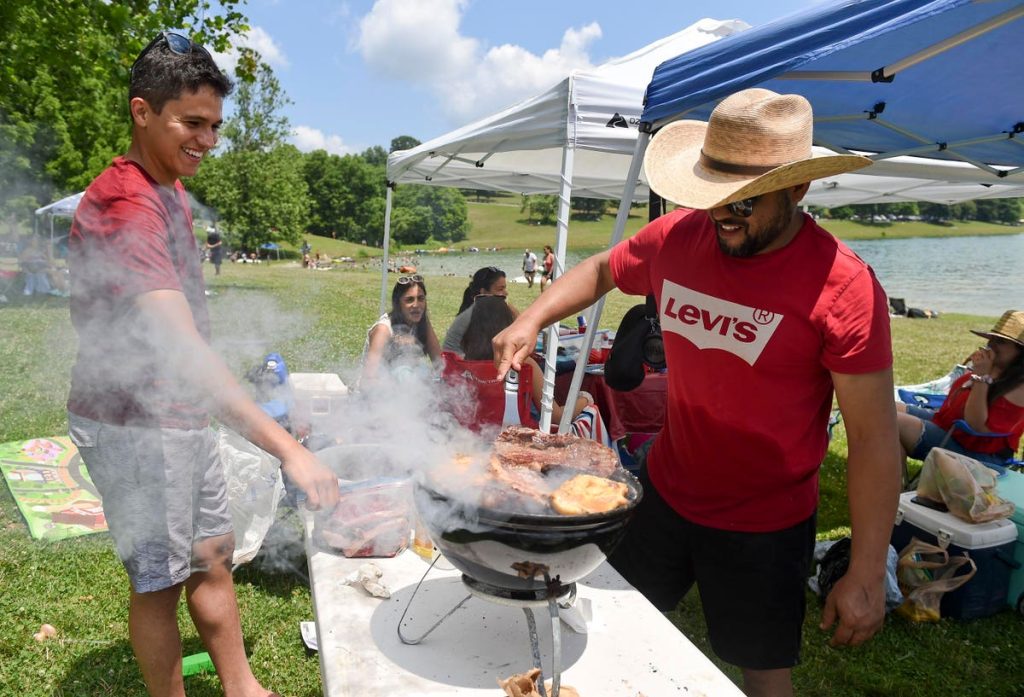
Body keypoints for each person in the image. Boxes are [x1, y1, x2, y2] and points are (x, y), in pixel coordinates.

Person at [493, 88, 900, 697]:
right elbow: (603, 269)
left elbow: (871, 439)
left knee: (762, 673)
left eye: (745, 200)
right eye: (713, 196)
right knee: (613, 625)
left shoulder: (843, 288)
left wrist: (866, 570)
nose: (723, 215)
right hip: (666, 488)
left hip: (766, 520)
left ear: (798, 189)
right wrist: (532, 318)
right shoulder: (678, 237)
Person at [66, 32, 339, 697]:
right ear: (142, 111)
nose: (208, 140)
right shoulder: (126, 203)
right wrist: (287, 449)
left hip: (180, 415)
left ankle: (243, 688)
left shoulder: (169, 189)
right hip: (133, 424)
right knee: (159, 583)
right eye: (192, 123)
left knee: (213, 557)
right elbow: (182, 353)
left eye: (215, 125)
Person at [897, 310, 1024, 470]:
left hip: (978, 454)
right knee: (883, 409)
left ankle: (889, 480)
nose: (991, 344)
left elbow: (975, 425)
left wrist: (981, 377)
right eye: (992, 338)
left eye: (1001, 341)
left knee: (891, 420)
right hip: (951, 429)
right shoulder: (996, 369)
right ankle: (893, 478)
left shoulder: (1019, 387)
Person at [462, 296, 593, 426]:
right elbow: (556, 417)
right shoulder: (521, 363)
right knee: (590, 415)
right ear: (509, 326)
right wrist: (585, 399)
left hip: (475, 433)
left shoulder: (465, 364)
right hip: (517, 433)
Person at [361, 274, 442, 386]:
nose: (416, 305)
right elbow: (368, 380)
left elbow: (440, 364)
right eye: (409, 300)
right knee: (403, 372)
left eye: (421, 298)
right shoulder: (383, 330)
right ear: (398, 303)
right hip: (379, 392)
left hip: (412, 386)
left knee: (423, 370)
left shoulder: (423, 323)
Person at [441, 266, 516, 355]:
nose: (506, 293)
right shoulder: (478, 314)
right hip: (456, 360)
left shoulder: (485, 309)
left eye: (505, 288)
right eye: (500, 289)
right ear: (483, 292)